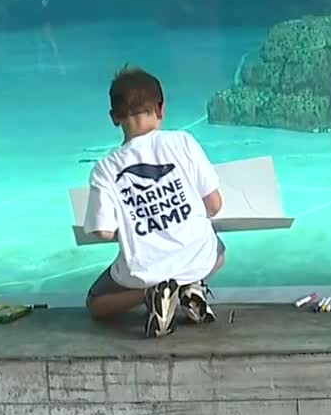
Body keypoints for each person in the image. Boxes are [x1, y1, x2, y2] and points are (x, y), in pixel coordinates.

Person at [82, 66, 226, 338]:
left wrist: (137, 223)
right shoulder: (183, 142)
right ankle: (189, 287)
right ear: (161, 110)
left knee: (95, 303)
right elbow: (215, 204)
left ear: (114, 118)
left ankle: (150, 294)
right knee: (218, 251)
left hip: (144, 269)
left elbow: (102, 231)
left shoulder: (104, 169)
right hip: (199, 257)